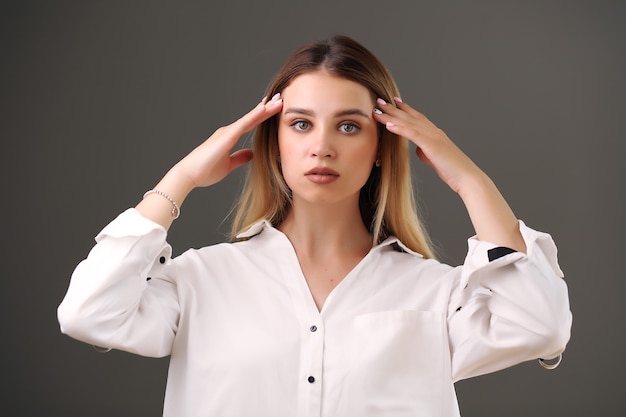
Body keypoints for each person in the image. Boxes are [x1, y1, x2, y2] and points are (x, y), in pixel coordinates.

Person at [58, 35, 572, 416]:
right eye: (300, 123)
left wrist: (469, 178)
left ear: (379, 148)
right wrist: (181, 179)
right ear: (274, 140)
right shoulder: (200, 281)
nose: (321, 145)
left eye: (349, 126)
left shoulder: (435, 293)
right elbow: (89, 313)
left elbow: (540, 325)